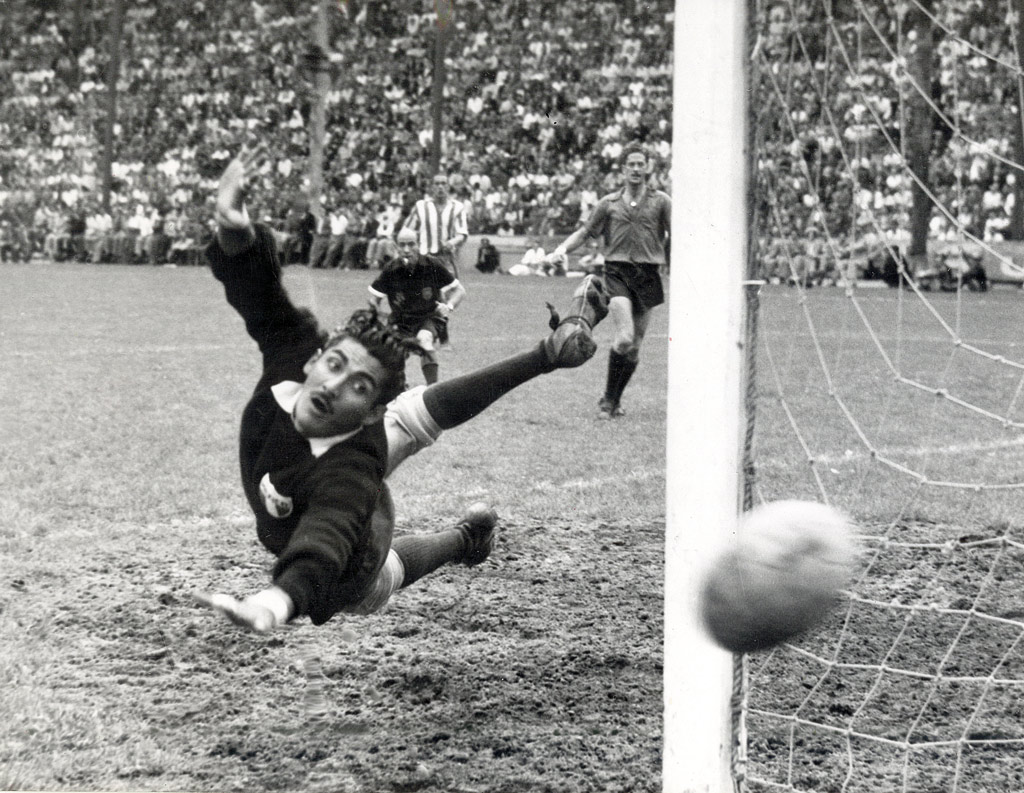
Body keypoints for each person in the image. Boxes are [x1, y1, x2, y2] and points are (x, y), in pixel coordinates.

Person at [195, 151, 609, 632]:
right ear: (315, 359)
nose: (333, 383)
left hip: (350, 562)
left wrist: (272, 603)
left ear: (371, 412)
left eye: (359, 386)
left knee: (381, 578)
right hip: (326, 462)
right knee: (410, 418)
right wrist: (235, 231)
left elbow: (322, 543)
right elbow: (261, 296)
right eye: (334, 365)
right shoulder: (296, 358)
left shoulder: (350, 473)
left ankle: (462, 539)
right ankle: (476, 528)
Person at [545, 143, 671, 420]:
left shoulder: (661, 201)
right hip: (617, 272)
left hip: (648, 274)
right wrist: (561, 250)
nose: (636, 169)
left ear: (648, 167)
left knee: (634, 347)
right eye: (631, 164)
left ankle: (614, 399)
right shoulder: (609, 203)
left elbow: (680, 234)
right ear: (623, 169)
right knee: (624, 337)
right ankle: (607, 400)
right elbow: (585, 232)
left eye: (640, 164)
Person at [368, 227, 466, 385]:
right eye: (402, 245)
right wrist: (375, 311)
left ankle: (432, 389)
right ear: (396, 247)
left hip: (428, 318)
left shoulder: (432, 265)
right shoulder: (391, 269)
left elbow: (459, 291)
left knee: (424, 340)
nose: (407, 250)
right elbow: (374, 299)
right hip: (399, 321)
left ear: (419, 244)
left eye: (411, 244)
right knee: (389, 355)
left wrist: (448, 306)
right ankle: (395, 389)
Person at [401, 172, 469, 278]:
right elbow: (407, 231)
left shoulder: (457, 207)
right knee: (423, 288)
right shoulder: (421, 206)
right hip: (423, 258)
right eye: (437, 184)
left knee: (451, 288)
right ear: (432, 187)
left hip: (446, 258)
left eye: (443, 183)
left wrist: (452, 242)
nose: (440, 187)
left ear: (448, 187)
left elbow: (462, 233)